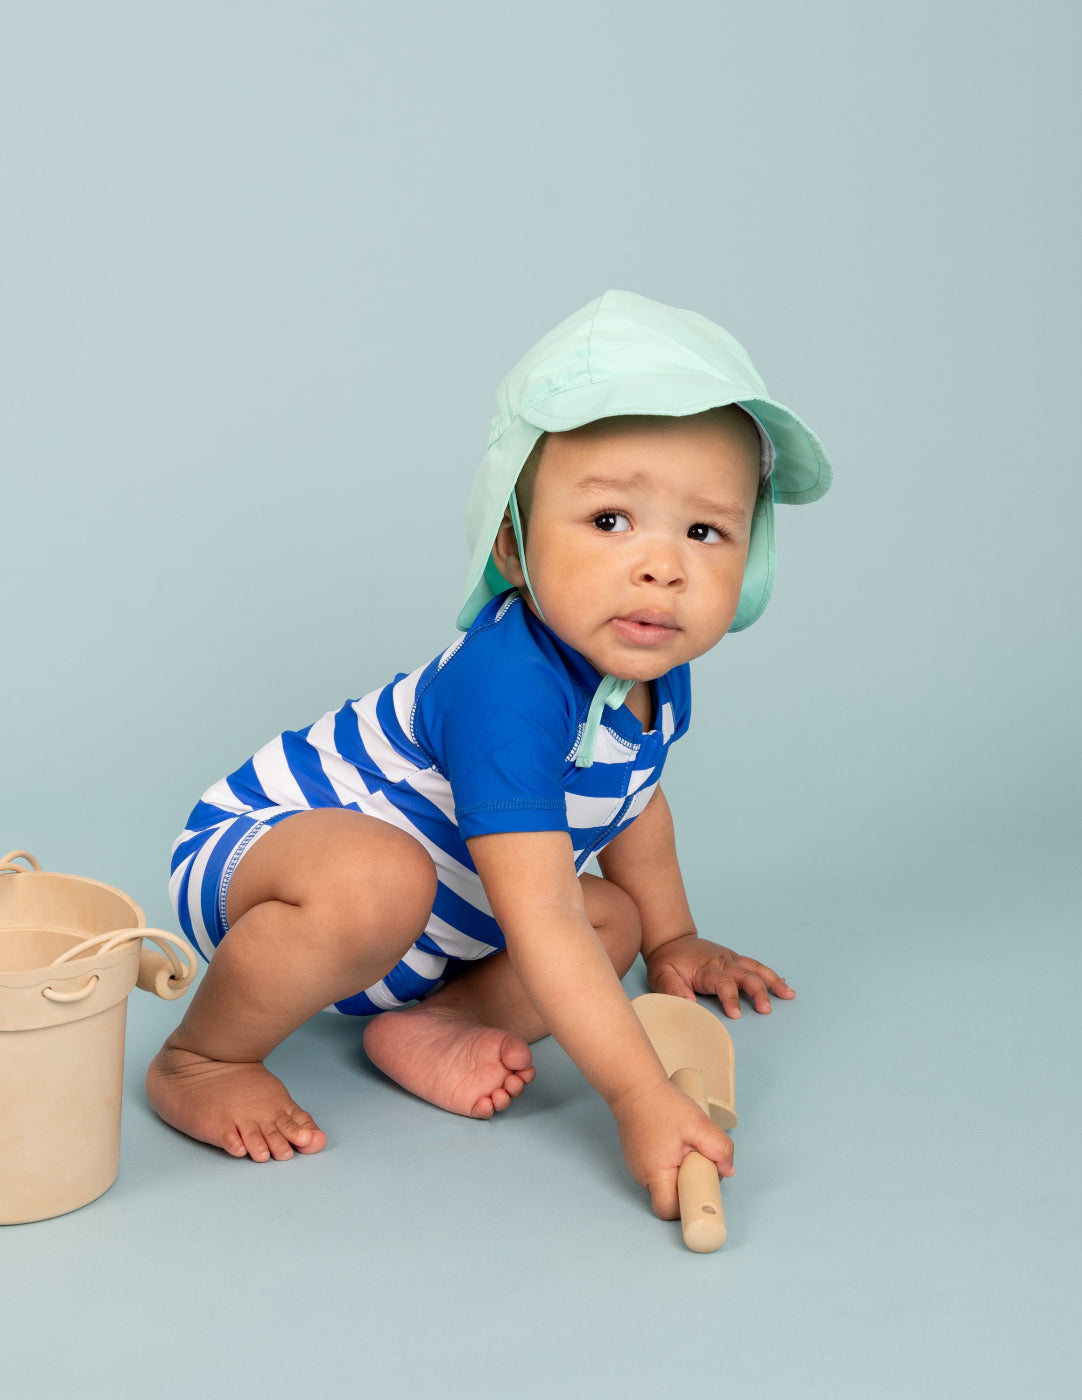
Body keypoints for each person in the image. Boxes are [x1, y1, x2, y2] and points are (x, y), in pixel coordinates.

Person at [147, 290, 832, 1222]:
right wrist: (640, 1095)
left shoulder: (644, 664)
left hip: (438, 928)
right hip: (271, 866)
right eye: (609, 522)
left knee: (615, 923)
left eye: (704, 532)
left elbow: (636, 801)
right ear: (511, 541)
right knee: (383, 879)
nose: (662, 567)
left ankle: (439, 1021)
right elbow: (538, 911)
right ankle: (204, 1057)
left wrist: (672, 941)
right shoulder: (506, 685)